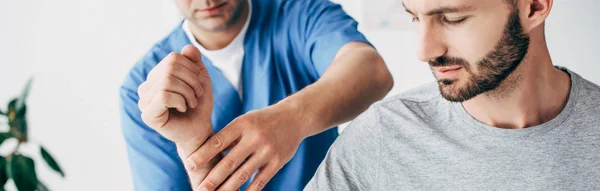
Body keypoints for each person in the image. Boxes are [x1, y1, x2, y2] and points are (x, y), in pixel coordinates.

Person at [305, 0, 600, 190]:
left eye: (452, 18)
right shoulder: (382, 136)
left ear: (534, 7)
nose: (425, 52)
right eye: (415, 18)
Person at [119, 0, 394, 190]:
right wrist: (194, 145)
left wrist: (292, 119)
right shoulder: (147, 90)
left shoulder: (298, 14)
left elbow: (370, 71)